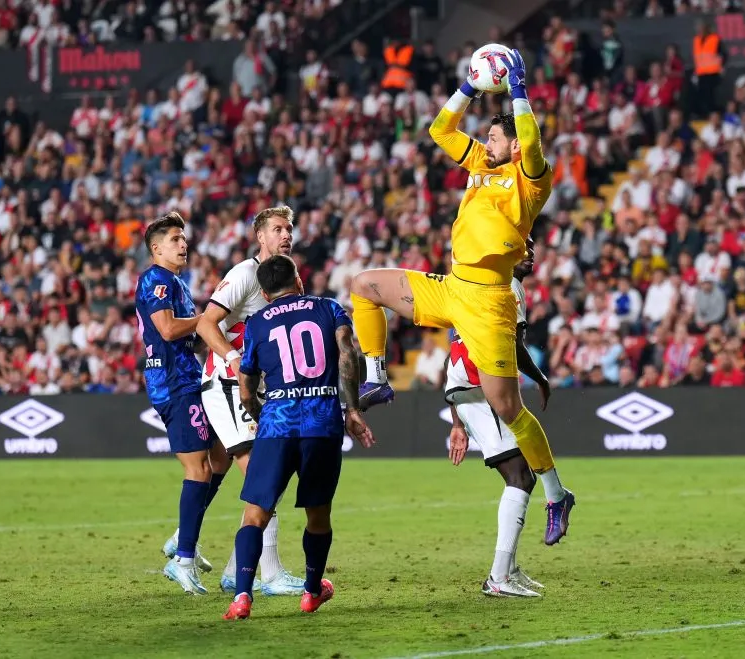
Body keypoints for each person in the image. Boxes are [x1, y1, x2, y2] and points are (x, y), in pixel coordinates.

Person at [349, 49, 575, 545]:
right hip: (451, 287)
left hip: (491, 302)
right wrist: (470, 86)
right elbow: (440, 131)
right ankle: (376, 377)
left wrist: (518, 93)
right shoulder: (479, 162)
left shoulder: (531, 180)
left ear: (513, 145)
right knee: (364, 285)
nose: (485, 141)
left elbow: (532, 143)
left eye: (495, 136)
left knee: (509, 408)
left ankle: (557, 494)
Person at [160, 207, 305, 595]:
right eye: (277, 229)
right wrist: (232, 357)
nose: (286, 235)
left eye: (289, 229)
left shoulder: (290, 278)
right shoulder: (243, 275)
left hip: (258, 389)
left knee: (246, 470)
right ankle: (270, 574)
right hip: (226, 385)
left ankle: (226, 568)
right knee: (264, 476)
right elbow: (207, 323)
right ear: (260, 237)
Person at [222, 255, 375, 620]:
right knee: (317, 515)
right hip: (322, 422)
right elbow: (347, 354)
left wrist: (261, 415)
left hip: (278, 423)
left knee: (255, 515)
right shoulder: (329, 308)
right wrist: (352, 410)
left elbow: (246, 386)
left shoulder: (257, 322)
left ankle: (242, 597)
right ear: (299, 281)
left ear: (263, 292)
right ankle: (310, 592)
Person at [447, 239, 552, 597]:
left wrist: (457, 421)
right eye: (523, 248)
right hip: (481, 389)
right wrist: (540, 377)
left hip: (467, 389)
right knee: (521, 476)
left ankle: (507, 568)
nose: (530, 254)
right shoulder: (509, 287)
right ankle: (498, 577)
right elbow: (515, 348)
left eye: (533, 248)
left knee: (522, 475)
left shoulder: (480, 282)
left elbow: (454, 348)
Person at [135, 212, 230, 594]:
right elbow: (169, 328)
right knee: (199, 469)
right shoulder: (155, 279)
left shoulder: (175, 281)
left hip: (190, 377)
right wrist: (207, 317)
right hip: (172, 382)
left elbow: (191, 328)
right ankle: (183, 560)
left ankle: (181, 536)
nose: (183, 244)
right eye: (175, 239)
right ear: (156, 248)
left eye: (183, 238)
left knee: (222, 453)